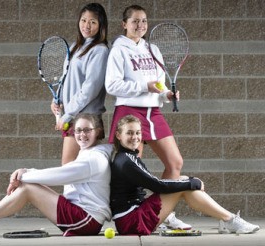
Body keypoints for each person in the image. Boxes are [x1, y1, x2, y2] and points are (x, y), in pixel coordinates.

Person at [0, 113, 113, 237]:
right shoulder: (91, 153)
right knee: (28, 186)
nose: (82, 135)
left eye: (87, 130)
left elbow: (60, 175)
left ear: (97, 132)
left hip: (85, 220)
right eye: (78, 130)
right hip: (81, 215)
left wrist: (23, 175)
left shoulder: (94, 159)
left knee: (27, 188)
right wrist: (25, 174)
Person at [105, 4, 189, 229]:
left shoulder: (153, 49)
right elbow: (112, 85)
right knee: (135, 170)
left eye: (143, 21)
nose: (140, 25)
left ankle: (164, 212)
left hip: (153, 111)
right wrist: (145, 86)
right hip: (129, 111)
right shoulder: (118, 49)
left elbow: (159, 85)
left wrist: (167, 94)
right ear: (124, 24)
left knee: (175, 163)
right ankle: (141, 213)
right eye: (134, 21)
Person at [110, 114, 260, 235]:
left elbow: (155, 185)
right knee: (183, 184)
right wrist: (192, 182)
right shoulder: (126, 161)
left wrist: (188, 182)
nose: (135, 137)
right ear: (118, 135)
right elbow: (157, 185)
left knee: (182, 182)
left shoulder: (126, 156)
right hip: (132, 221)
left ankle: (227, 219)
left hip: (130, 217)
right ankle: (230, 220)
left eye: (137, 133)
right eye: (129, 133)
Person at [51, 2, 109, 165]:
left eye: (93, 22)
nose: (87, 25)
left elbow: (90, 89)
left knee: (69, 168)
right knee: (74, 170)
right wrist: (58, 100)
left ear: (101, 25)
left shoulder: (100, 51)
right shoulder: (75, 47)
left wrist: (68, 114)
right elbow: (67, 79)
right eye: (84, 20)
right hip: (73, 114)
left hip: (86, 118)